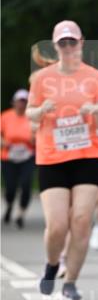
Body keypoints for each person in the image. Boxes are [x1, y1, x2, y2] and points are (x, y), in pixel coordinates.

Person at [27, 20, 98, 300]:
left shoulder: (96, 77)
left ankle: (71, 281)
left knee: (82, 220)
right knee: (58, 225)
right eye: (63, 43)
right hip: (52, 156)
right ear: (55, 46)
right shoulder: (42, 78)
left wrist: (96, 110)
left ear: (81, 43)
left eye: (72, 41)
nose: (68, 47)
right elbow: (30, 113)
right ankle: (52, 265)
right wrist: (41, 110)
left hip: (86, 155)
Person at [1, 89, 34, 227]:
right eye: (19, 101)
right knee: (10, 187)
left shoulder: (32, 117)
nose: (21, 104)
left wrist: (33, 140)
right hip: (9, 156)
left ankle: (21, 213)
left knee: (26, 184)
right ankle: (9, 205)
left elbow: (39, 136)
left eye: (24, 102)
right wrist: (3, 142)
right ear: (14, 102)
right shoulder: (6, 116)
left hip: (27, 156)